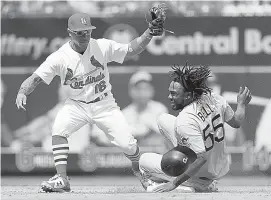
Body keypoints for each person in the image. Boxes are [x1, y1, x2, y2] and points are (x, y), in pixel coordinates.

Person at [15, 11, 165, 193]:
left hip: (104, 104)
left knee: (128, 145)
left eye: (87, 31)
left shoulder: (101, 46)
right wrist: (23, 91)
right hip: (76, 104)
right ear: (70, 32)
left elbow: (131, 50)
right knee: (58, 129)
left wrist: (148, 33)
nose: (85, 35)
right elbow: (36, 77)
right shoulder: (60, 56)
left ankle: (141, 172)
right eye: (80, 32)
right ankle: (62, 178)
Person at [138, 64, 252, 193]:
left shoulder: (185, 120)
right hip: (221, 163)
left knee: (142, 161)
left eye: (174, 94)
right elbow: (236, 122)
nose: (170, 97)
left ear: (188, 95)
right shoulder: (215, 98)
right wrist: (241, 104)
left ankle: (192, 184)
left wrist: (174, 184)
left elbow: (201, 158)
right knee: (163, 119)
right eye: (170, 92)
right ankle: (182, 171)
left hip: (202, 170)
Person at [123, 70, 168, 148]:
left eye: (146, 88)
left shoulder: (160, 109)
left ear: (152, 90)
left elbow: (164, 137)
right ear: (131, 91)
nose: (142, 92)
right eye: (139, 89)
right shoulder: (124, 114)